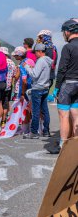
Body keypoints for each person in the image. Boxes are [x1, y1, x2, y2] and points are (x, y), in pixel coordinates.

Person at [50, 19, 78, 153]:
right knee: (76, 115)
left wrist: (56, 87)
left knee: (64, 116)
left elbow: (62, 69)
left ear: (68, 31)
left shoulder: (68, 47)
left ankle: (63, 146)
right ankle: (75, 145)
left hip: (68, 85)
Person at [22, 43, 52, 139]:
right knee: (45, 111)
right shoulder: (48, 60)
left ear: (39, 51)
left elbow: (34, 75)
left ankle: (34, 132)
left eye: (35, 52)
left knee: (35, 111)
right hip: (45, 88)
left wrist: (26, 67)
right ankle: (46, 131)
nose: (34, 54)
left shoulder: (40, 60)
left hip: (37, 88)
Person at [12, 46, 35, 134]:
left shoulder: (22, 64)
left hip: (26, 89)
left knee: (25, 108)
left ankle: (26, 129)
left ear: (20, 55)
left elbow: (24, 80)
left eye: (16, 55)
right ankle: (37, 128)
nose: (14, 57)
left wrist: (22, 93)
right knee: (33, 108)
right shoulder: (31, 61)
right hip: (33, 87)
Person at [0, 47, 16, 127]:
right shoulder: (12, 63)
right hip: (9, 86)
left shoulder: (0, 62)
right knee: (6, 104)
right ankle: (3, 120)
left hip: (0, 85)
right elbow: (14, 75)